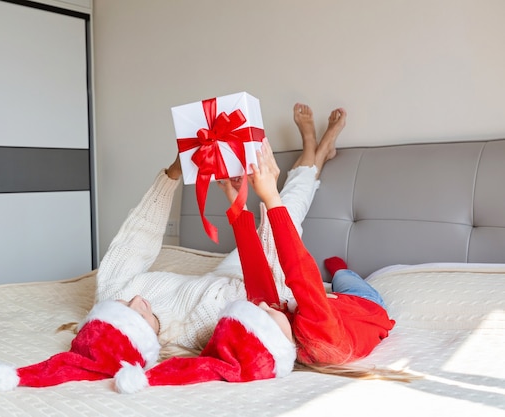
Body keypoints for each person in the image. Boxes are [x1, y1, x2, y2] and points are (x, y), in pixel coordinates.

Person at [113, 140, 396, 394]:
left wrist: (237, 202)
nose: (260, 306)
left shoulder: (270, 322)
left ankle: (317, 156)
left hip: (327, 304)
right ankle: (340, 268)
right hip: (364, 303)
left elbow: (255, 268)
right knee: (345, 277)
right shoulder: (322, 339)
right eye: (262, 313)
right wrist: (271, 198)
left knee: (323, 283)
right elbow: (299, 269)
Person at [95, 103, 346, 355]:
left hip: (221, 275)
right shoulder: (202, 332)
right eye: (138, 313)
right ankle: (317, 148)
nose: (136, 300)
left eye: (124, 303)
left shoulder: (109, 301)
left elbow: (139, 234)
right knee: (287, 211)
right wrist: (266, 201)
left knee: (283, 210)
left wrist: (173, 172)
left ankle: (317, 153)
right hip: (254, 281)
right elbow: (273, 294)